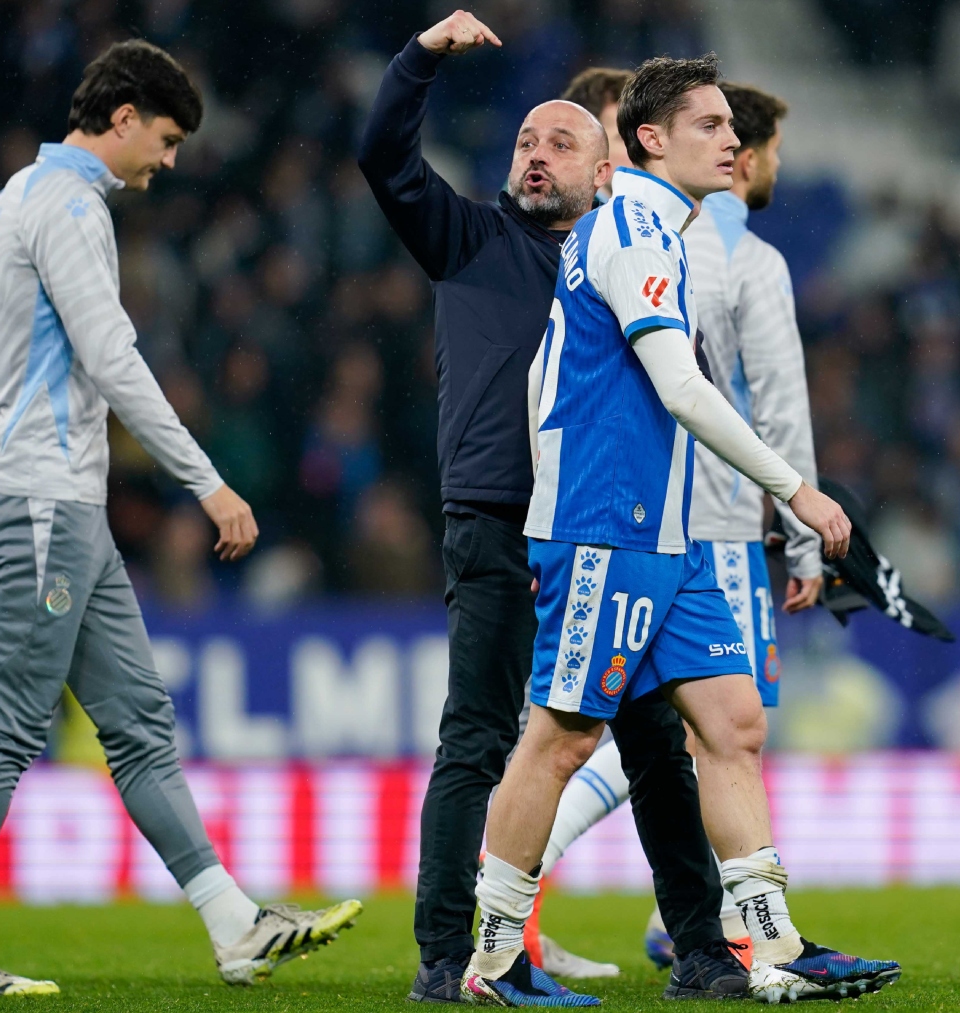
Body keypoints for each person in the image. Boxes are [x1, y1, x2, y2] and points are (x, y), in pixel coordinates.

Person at [0, 40, 360, 997]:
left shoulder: (15, 196)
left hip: (48, 499)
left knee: (141, 724)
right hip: (41, 498)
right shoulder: (71, 207)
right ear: (120, 119)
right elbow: (111, 359)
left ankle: (235, 925)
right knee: (1, 730)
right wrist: (209, 482)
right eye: (165, 136)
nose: (171, 158)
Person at [462, 54, 900, 1006]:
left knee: (733, 723)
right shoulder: (630, 229)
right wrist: (801, 494)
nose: (733, 140)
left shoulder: (656, 231)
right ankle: (490, 958)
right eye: (710, 125)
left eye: (733, 128)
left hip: (671, 530)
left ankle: (772, 946)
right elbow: (680, 385)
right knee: (560, 739)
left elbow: (548, 376)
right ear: (651, 138)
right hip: (605, 528)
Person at [357, 12, 744, 1003]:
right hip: (495, 515)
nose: (535, 156)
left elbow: (684, 389)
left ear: (606, 170)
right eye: (527, 141)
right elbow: (380, 153)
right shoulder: (469, 238)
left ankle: (701, 949)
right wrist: (423, 58)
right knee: (479, 734)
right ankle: (450, 958)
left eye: (561, 141)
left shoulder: (625, 257)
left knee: (657, 740)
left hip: (608, 530)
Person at [532, 80, 824, 973]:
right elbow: (772, 401)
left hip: (641, 507)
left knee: (694, 726)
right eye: (728, 132)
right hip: (713, 520)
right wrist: (803, 516)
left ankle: (722, 931)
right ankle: (510, 884)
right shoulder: (731, 254)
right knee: (659, 729)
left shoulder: (638, 230)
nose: (741, 150)